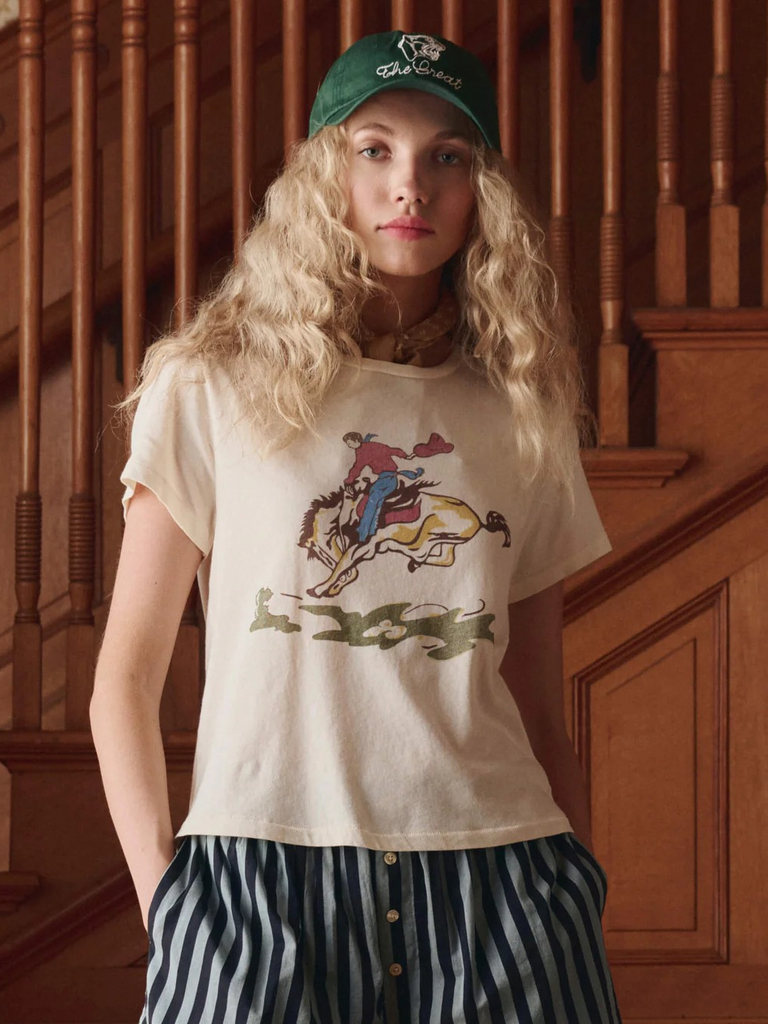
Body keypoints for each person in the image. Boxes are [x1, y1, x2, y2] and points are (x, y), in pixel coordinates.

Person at [90, 28, 622, 1024]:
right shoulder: (209, 384)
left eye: (446, 156)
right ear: (322, 174)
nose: (408, 185)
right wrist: (170, 906)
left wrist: (578, 892)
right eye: (374, 149)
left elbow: (540, 703)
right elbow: (125, 677)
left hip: (504, 882)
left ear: (481, 191)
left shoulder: (521, 408)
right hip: (259, 880)